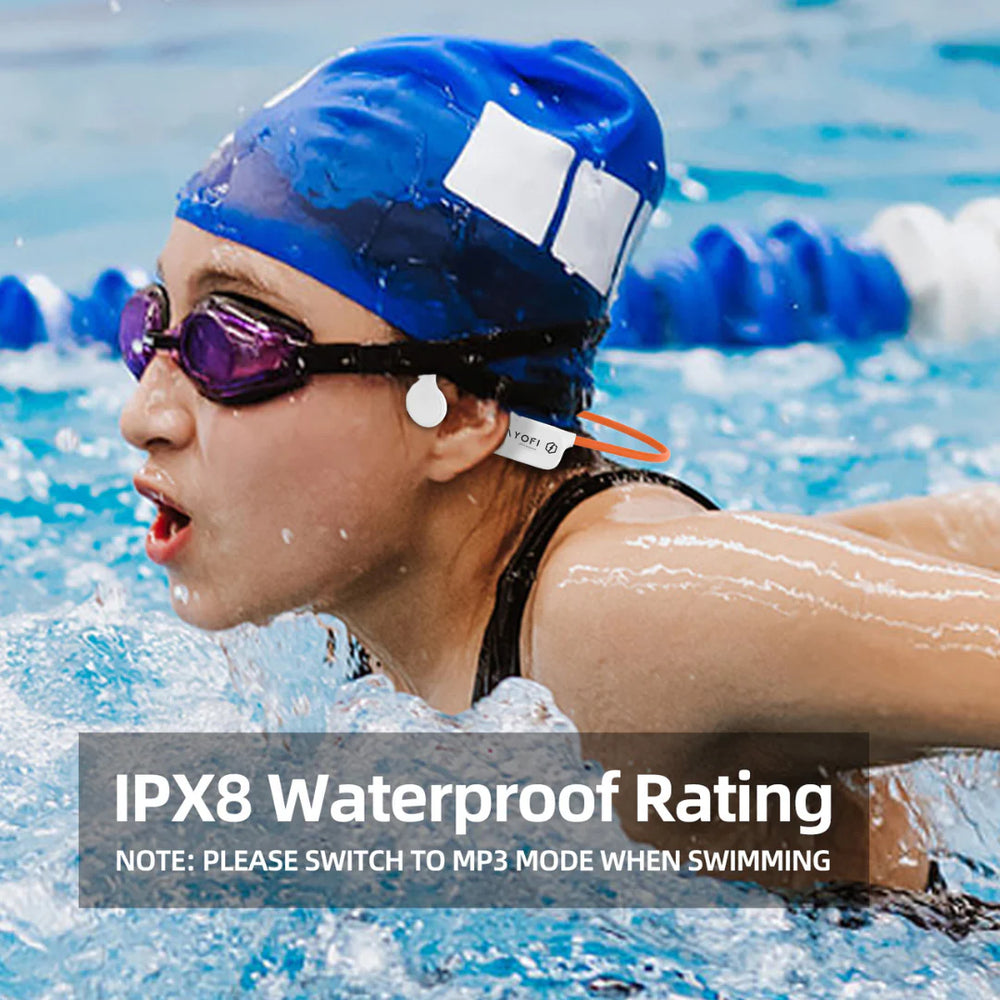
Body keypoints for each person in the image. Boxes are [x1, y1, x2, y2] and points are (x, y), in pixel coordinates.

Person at [118, 35, 1000, 894]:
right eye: (150, 325)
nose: (145, 416)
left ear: (457, 411)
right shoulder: (361, 604)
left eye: (235, 343)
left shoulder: (624, 615)